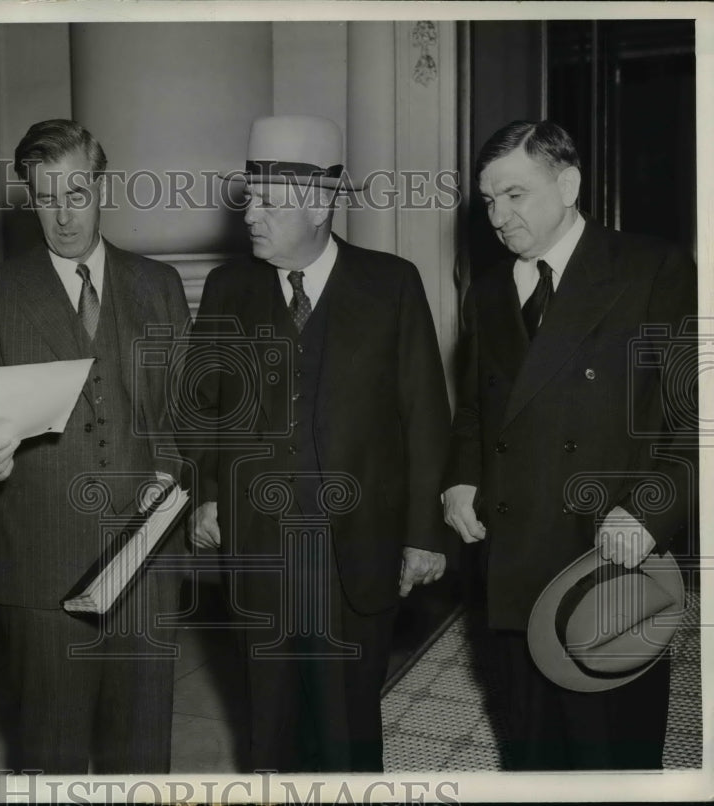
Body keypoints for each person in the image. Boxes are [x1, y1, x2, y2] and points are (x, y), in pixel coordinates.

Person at [185, 115, 451, 772]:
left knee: (347, 734)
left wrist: (422, 534)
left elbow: (425, 416)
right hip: (258, 551)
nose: (250, 216)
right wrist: (208, 493)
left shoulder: (391, 285)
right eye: (250, 198)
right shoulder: (227, 289)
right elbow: (201, 410)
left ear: (321, 204)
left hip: (356, 553)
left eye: (270, 203)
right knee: (269, 732)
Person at [442, 120, 697, 770]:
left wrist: (650, 512)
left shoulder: (652, 269)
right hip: (513, 554)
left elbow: (694, 417)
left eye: (515, 195)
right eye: (488, 200)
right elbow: (474, 410)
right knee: (531, 751)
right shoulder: (488, 291)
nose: (498, 217)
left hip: (609, 552)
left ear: (568, 184)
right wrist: (461, 478)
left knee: (611, 753)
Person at [0, 119, 191, 773]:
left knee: (141, 759)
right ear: (30, 199)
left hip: (145, 560)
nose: (63, 215)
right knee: (51, 757)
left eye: (77, 194)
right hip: (42, 564)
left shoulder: (159, 285)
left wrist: (167, 475)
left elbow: (184, 416)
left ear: (102, 188)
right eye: (46, 197)